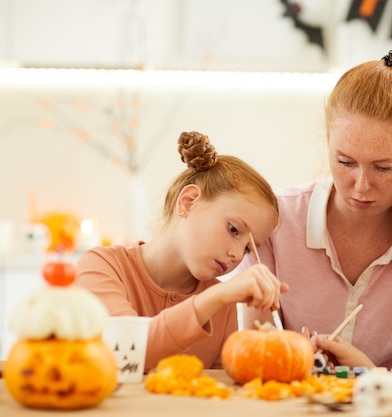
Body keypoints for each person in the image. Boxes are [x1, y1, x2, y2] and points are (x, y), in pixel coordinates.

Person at [237, 50, 392, 372]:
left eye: (383, 167)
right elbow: (251, 354)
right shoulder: (272, 222)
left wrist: (366, 374)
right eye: (345, 162)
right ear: (328, 139)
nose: (360, 186)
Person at [76, 131, 288, 370]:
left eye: (248, 248)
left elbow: (220, 394)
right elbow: (127, 353)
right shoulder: (102, 265)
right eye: (233, 229)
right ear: (188, 202)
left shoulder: (222, 304)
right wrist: (215, 299)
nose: (237, 255)